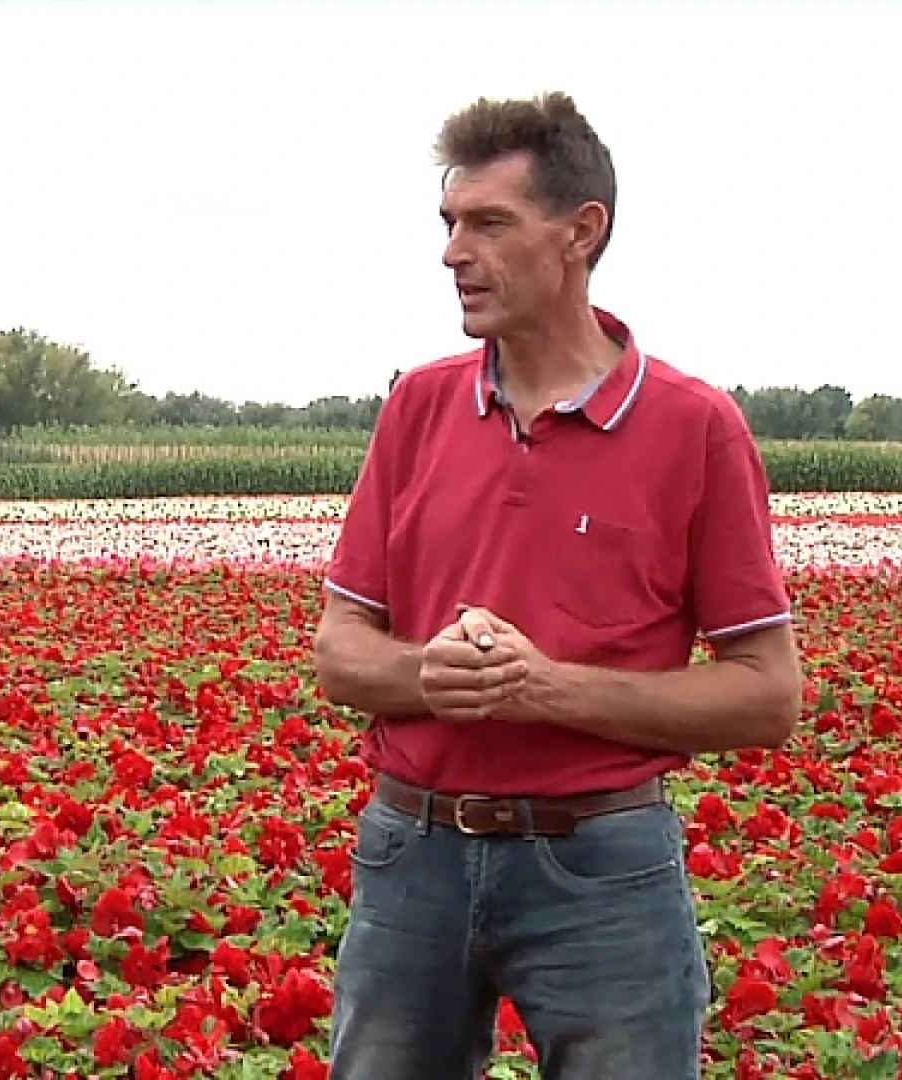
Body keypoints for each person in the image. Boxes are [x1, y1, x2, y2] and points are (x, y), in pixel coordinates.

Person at [311, 91, 806, 1080]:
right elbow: (340, 652)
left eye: (489, 223)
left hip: (601, 866)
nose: (454, 251)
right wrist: (428, 677)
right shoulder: (418, 407)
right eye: (449, 223)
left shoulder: (691, 427)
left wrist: (549, 690)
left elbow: (767, 693)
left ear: (583, 233)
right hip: (411, 849)